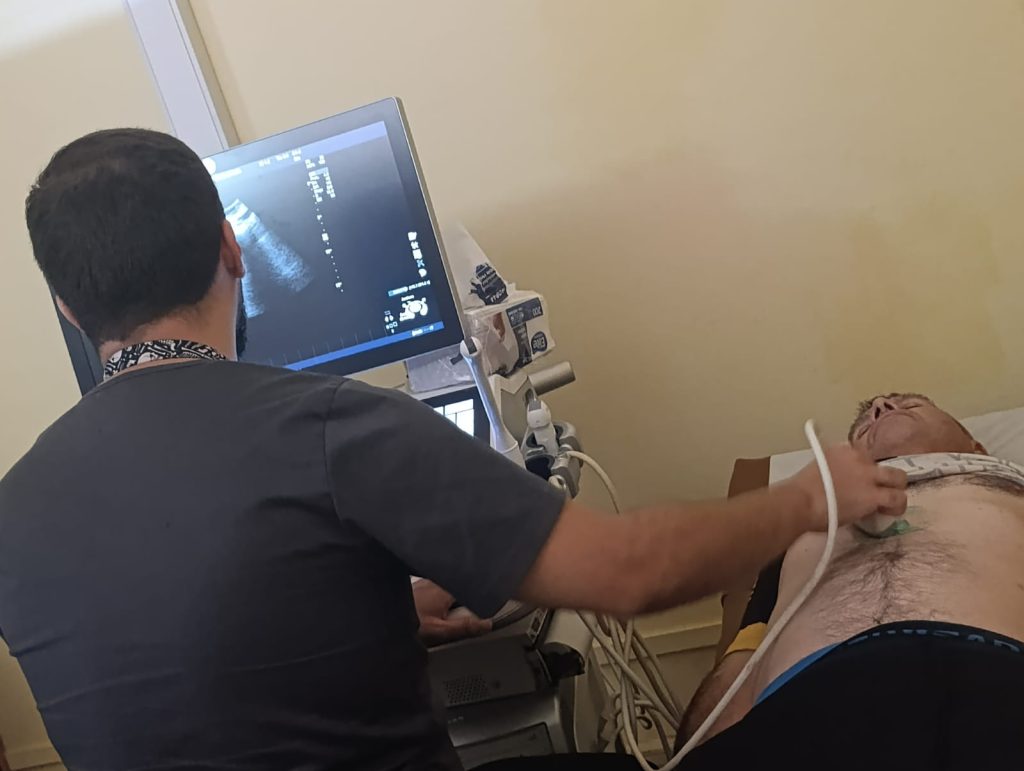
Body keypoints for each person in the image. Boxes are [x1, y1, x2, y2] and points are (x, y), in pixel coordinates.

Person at [0, 128, 905, 771]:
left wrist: (355, 608)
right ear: (233, 249)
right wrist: (809, 496)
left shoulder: (14, 505)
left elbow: (172, 669)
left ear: (68, 309)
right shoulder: (328, 426)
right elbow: (628, 572)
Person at [676, 393, 1024, 769]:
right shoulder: (804, 520)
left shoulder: (1011, 484)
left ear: (977, 447)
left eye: (910, 403)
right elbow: (747, 652)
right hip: (805, 701)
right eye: (864, 423)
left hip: (998, 676)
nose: (881, 406)